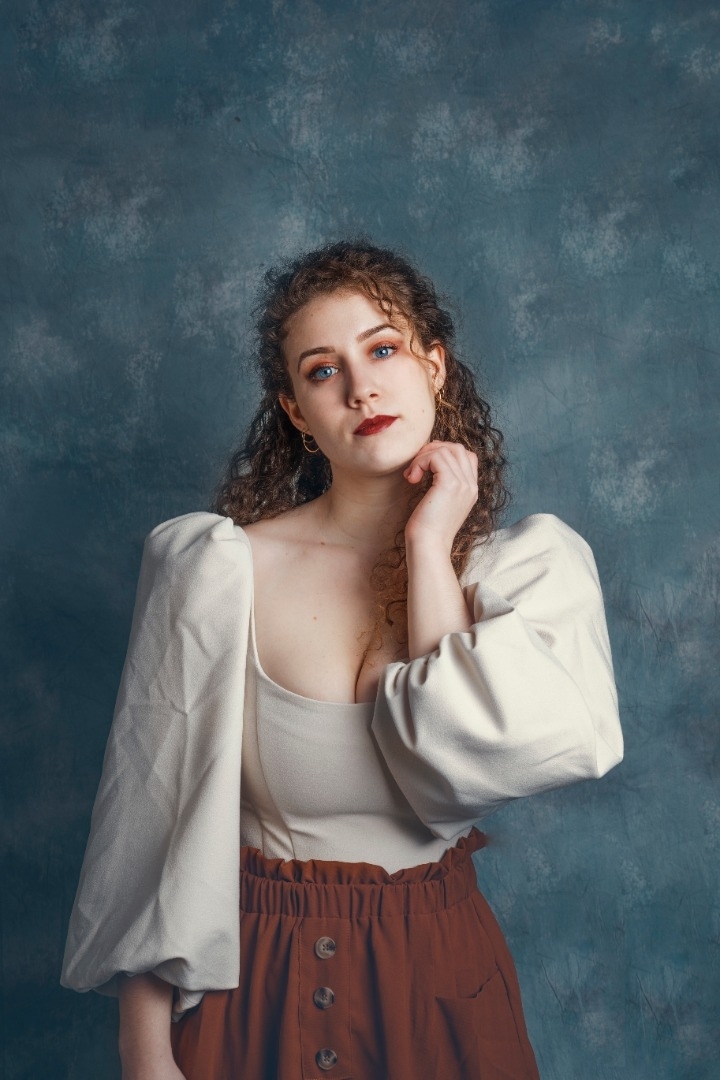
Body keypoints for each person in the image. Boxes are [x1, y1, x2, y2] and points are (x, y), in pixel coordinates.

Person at [61, 240, 623, 1079]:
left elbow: (462, 769)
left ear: (435, 366)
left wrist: (429, 544)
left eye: (383, 350)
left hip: (441, 988)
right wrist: (146, 1055)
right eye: (324, 371)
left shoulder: (522, 575)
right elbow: (152, 826)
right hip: (255, 986)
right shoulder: (220, 571)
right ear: (296, 411)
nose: (362, 388)